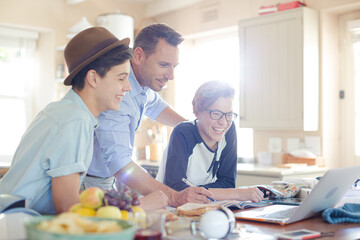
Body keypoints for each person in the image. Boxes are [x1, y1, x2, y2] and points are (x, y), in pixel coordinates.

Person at [0, 27, 133, 214]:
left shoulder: (63, 112)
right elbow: (68, 209)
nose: (127, 87)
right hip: (16, 226)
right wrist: (134, 210)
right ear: (93, 78)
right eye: (121, 78)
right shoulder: (75, 121)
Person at [82, 23, 213, 210]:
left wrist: (194, 128)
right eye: (164, 65)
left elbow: (157, 106)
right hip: (88, 184)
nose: (171, 75)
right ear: (138, 56)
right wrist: (174, 197)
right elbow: (119, 162)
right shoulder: (120, 91)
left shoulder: (142, 86)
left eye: (174, 66)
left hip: (104, 180)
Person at [156, 81, 264, 202]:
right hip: (168, 206)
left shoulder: (229, 130)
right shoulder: (183, 132)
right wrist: (236, 193)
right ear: (197, 113)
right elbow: (176, 189)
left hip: (200, 205)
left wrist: (199, 192)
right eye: (216, 114)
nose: (223, 122)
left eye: (228, 114)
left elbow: (227, 183)